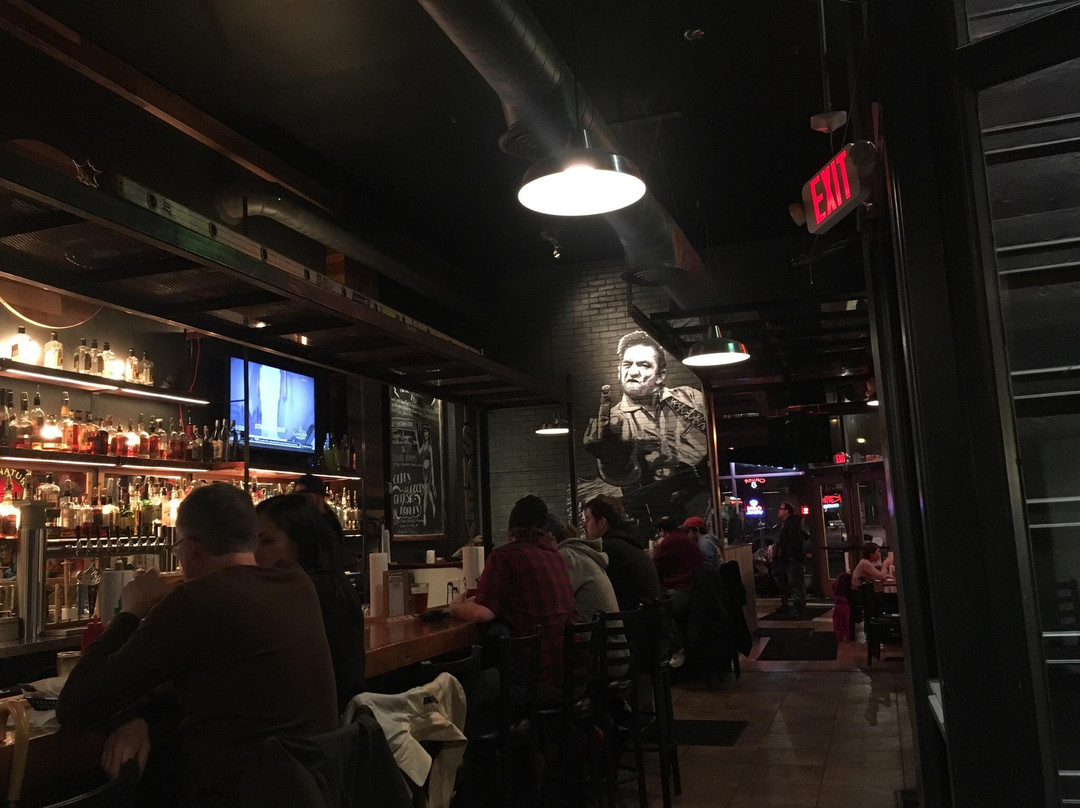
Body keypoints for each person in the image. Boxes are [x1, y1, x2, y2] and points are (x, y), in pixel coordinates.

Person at [56, 483, 337, 808]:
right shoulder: (296, 581)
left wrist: (130, 611)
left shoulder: (194, 602)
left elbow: (75, 705)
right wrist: (137, 716)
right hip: (314, 792)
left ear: (190, 549)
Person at [448, 495, 577, 689]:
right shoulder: (555, 556)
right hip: (574, 675)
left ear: (511, 531)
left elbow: (483, 613)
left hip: (538, 679)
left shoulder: (504, 556)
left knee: (463, 687)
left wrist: (454, 607)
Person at [255, 493, 366, 709]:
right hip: (341, 718)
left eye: (266, 541)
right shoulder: (332, 582)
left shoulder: (304, 590)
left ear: (302, 542)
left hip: (317, 722)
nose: (255, 552)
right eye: (253, 541)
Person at [583, 330, 708, 517]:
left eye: (644, 365)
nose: (633, 371)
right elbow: (622, 476)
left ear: (660, 375)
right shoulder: (615, 423)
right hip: (659, 516)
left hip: (709, 506)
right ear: (619, 371)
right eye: (627, 364)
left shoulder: (688, 397)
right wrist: (614, 460)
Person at [584, 495, 662, 611]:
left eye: (587, 519)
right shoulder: (628, 543)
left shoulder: (606, 548)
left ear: (601, 522)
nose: (584, 525)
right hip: (649, 616)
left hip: (631, 619)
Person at [651, 526, 703, 617]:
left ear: (662, 531)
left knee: (651, 612)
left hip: (680, 592)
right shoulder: (686, 540)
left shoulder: (672, 541)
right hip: (695, 591)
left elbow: (654, 565)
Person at [293, 472, 346, 545]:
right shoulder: (300, 520)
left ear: (319, 497)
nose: (300, 500)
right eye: (297, 497)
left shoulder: (329, 523)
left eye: (306, 496)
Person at [777, 501, 807, 616]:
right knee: (789, 583)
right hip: (788, 558)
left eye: (781, 508)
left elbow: (796, 540)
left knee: (796, 583)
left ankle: (799, 608)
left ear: (787, 511)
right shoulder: (786, 523)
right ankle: (788, 605)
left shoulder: (791, 524)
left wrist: (786, 551)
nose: (778, 511)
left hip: (792, 558)